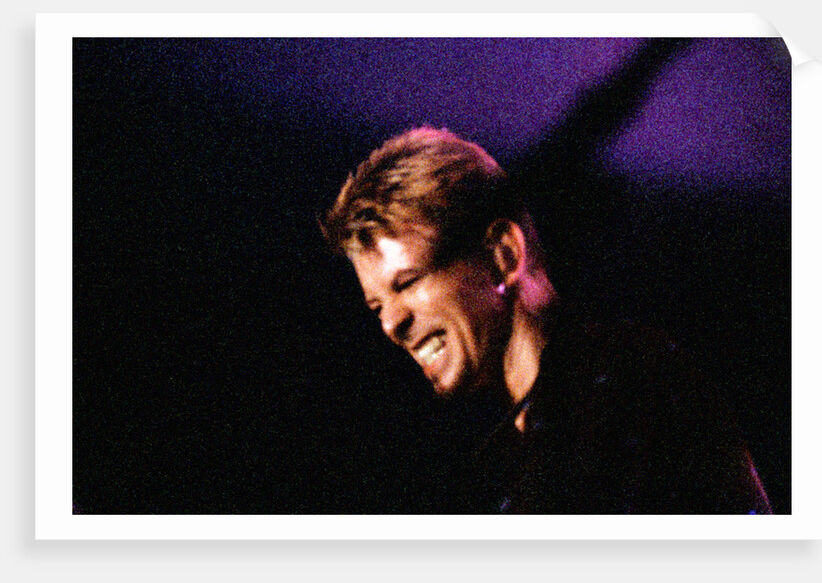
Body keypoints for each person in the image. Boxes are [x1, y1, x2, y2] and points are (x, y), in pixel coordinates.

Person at [321, 126, 772, 514]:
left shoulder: (626, 380)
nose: (391, 324)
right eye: (377, 307)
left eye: (407, 282)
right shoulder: (509, 456)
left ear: (502, 256)